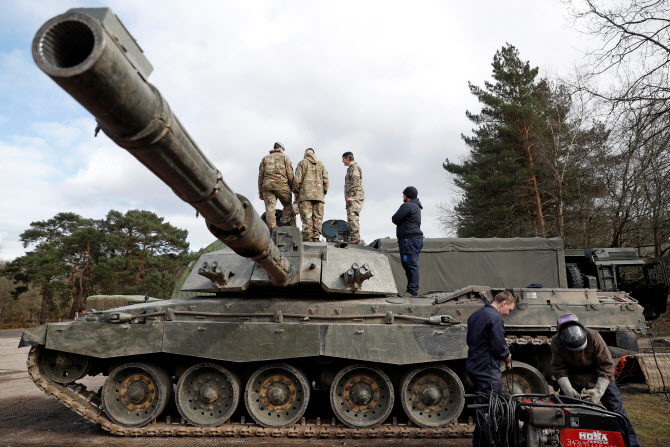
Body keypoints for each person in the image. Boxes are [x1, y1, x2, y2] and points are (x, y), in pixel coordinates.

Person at [551, 314, 640, 447]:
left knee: (617, 410)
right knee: (560, 410)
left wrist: (598, 391)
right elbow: (559, 369)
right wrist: (569, 390)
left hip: (599, 376)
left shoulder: (594, 336)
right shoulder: (556, 341)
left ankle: (632, 444)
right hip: (574, 378)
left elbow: (607, 365)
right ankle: (557, 441)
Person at [466, 291, 515, 447]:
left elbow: (473, 340)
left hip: (475, 365)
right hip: (487, 369)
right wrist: (506, 354)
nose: (507, 314)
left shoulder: (475, 315)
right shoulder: (495, 318)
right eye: (509, 310)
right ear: (504, 303)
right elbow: (498, 347)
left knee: (484, 407)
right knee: (491, 411)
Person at [391, 186, 424, 297]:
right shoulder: (416, 206)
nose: (403, 196)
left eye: (404, 194)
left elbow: (395, 218)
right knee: (409, 263)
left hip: (409, 240)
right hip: (413, 239)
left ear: (407, 196)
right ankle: (411, 290)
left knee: (410, 264)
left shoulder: (408, 205)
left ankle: (412, 291)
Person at [293, 148, 329, 241]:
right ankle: (316, 237)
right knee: (318, 217)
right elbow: (326, 181)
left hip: (305, 195)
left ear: (305, 154)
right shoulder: (321, 165)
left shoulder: (302, 163)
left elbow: (297, 180)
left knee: (306, 217)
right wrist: (322, 192)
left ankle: (307, 237)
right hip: (319, 196)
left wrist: (296, 193)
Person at [258, 142, 295, 229]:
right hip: (282, 186)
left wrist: (260, 192)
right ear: (281, 148)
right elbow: (290, 174)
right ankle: (285, 224)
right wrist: (292, 188)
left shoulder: (265, 158)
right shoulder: (285, 157)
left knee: (270, 208)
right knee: (287, 205)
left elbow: (260, 176)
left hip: (267, 186)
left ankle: (272, 228)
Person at [342, 151, 364, 244]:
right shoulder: (351, 168)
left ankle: (355, 238)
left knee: (352, 216)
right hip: (353, 197)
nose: (342, 161)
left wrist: (351, 196)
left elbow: (355, 182)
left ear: (347, 158)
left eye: (343, 159)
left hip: (354, 197)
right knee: (351, 216)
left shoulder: (354, 168)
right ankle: (355, 237)